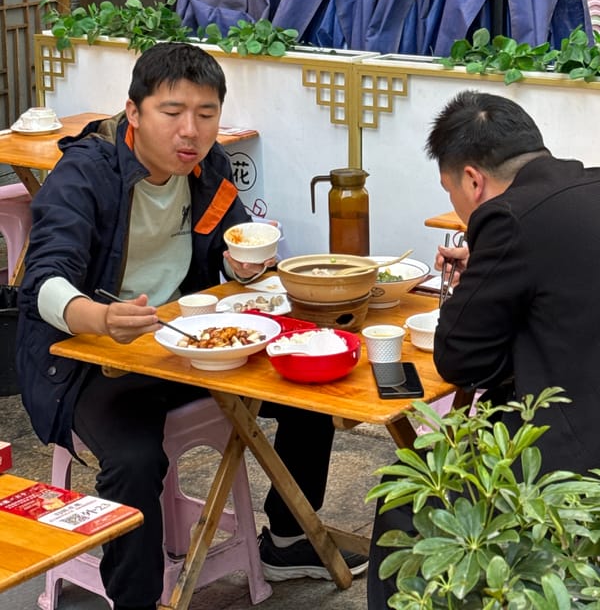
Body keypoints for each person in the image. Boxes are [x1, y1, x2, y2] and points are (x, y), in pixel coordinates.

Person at [16, 42, 367, 610]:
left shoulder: (209, 172)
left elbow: (227, 247)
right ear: (134, 113)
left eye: (206, 115)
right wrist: (101, 317)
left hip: (184, 346)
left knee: (309, 385)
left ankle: (285, 538)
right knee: (134, 461)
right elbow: (45, 283)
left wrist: (239, 265)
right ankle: (134, 600)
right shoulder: (87, 173)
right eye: (172, 112)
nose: (191, 131)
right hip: (87, 360)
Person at [367, 89, 600, 608]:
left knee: (403, 495)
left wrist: (470, 285)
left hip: (572, 466)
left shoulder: (508, 217)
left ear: (473, 180)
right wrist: (495, 275)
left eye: (452, 193)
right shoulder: (586, 186)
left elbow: (461, 360)